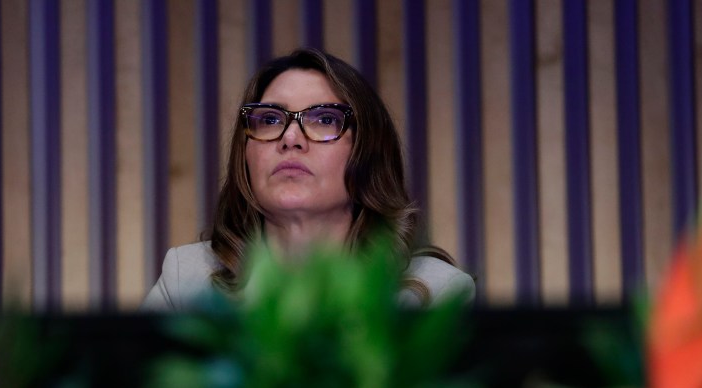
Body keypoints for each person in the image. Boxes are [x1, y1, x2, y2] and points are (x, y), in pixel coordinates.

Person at [142, 48, 475, 311]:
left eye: (325, 119)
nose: (290, 138)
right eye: (270, 119)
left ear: (368, 150)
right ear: (245, 155)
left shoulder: (436, 293)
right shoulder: (187, 280)